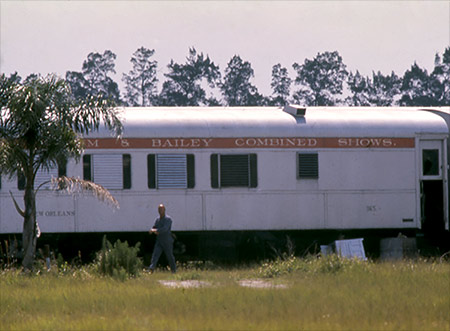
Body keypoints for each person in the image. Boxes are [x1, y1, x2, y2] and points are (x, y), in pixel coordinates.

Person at [148, 204, 177, 273]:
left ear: (164, 210)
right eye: (159, 209)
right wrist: (152, 229)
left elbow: (165, 229)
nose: (160, 211)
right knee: (155, 255)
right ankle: (151, 269)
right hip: (159, 241)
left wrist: (156, 231)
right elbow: (155, 226)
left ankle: (173, 270)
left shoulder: (168, 219)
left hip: (167, 241)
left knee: (169, 256)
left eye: (162, 209)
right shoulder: (157, 220)